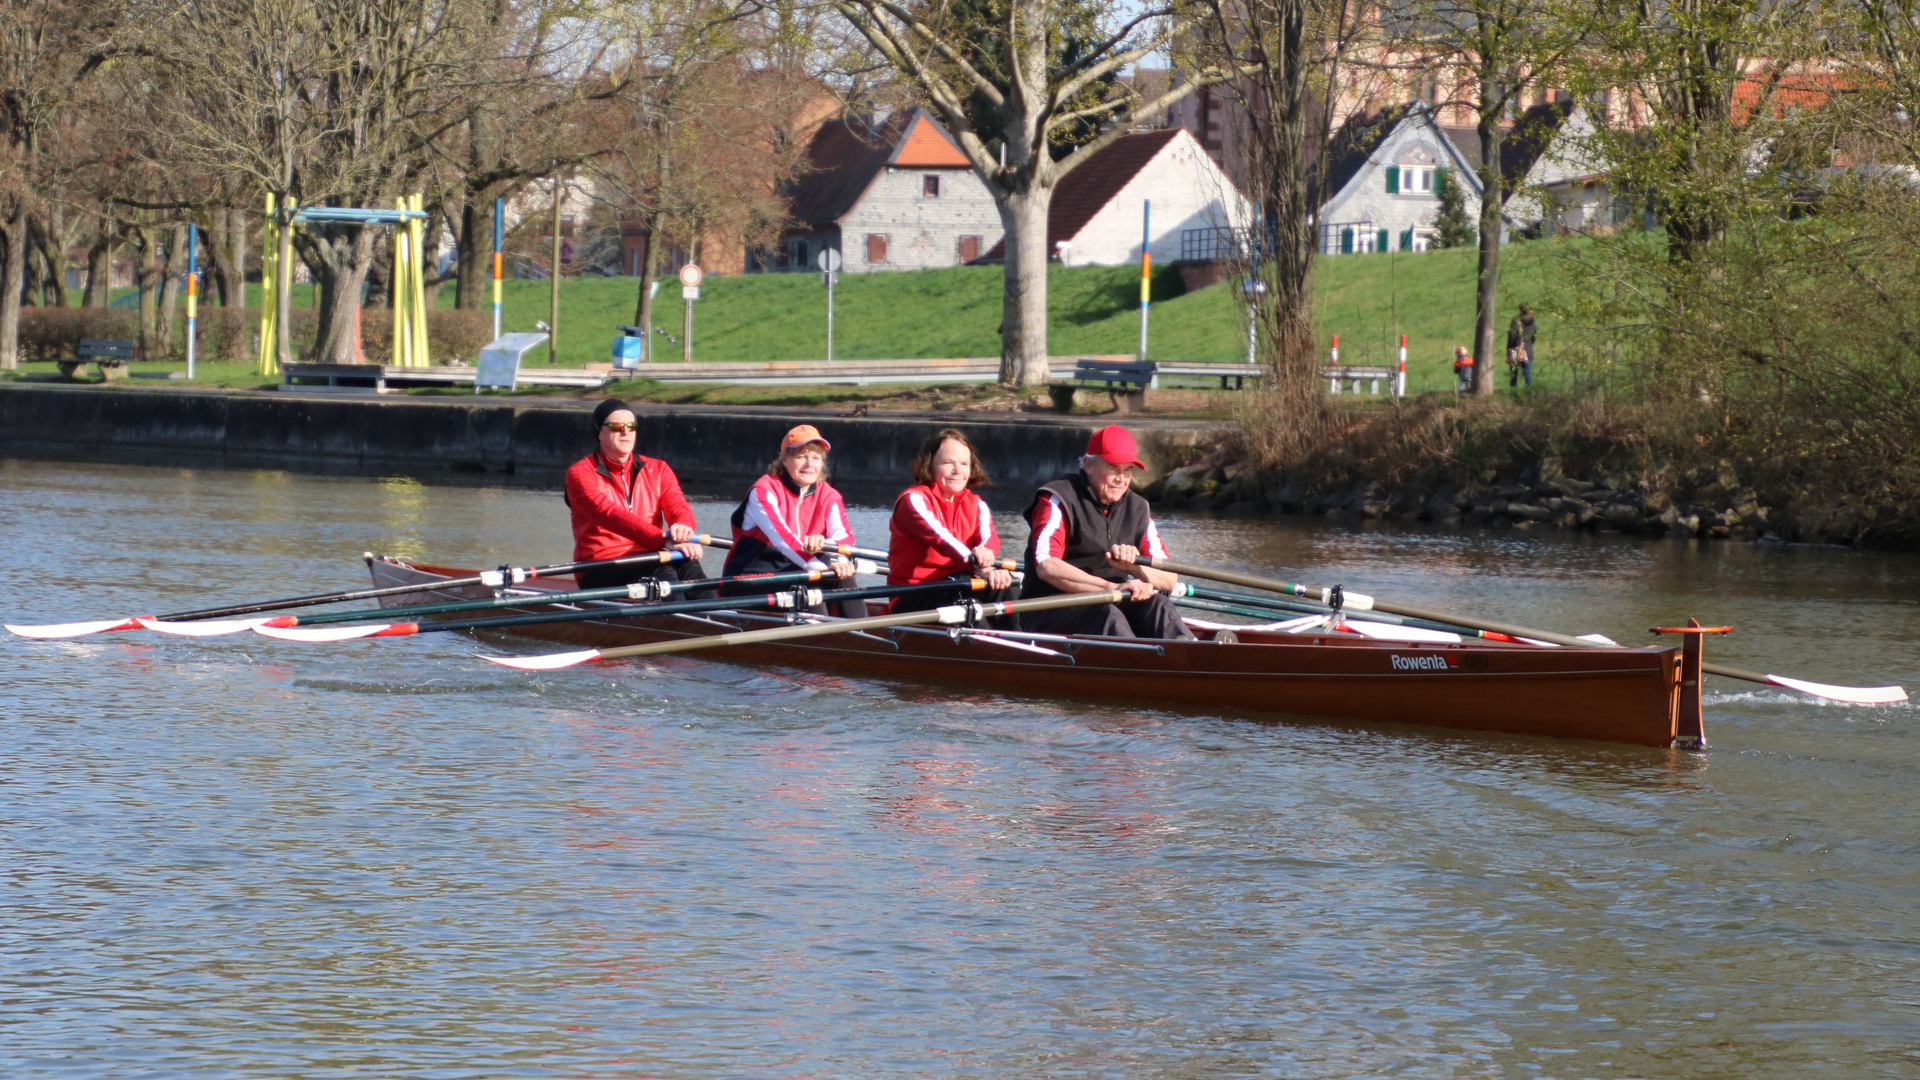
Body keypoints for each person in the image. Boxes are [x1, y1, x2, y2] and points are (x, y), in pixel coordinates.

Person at [1017, 424, 1194, 640]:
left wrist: (1134, 568)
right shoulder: (1057, 499)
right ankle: (1140, 656)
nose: (1121, 479)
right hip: (1048, 607)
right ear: (1088, 465)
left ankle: (1190, 651)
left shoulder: (1138, 509)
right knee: (1106, 612)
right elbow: (1047, 566)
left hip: (1110, 601)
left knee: (1158, 604)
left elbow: (1169, 579)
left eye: (1127, 470)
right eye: (1113, 468)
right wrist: (1112, 587)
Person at [722, 425, 865, 615]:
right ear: (785, 459)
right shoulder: (764, 490)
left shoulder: (829, 495)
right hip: (752, 579)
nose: (809, 464)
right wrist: (823, 566)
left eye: (816, 458)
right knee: (810, 586)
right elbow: (783, 540)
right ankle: (821, 632)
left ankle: (859, 631)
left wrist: (836, 557)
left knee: (844, 576)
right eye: (801, 457)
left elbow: (845, 538)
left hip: (801, 573)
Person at [564, 398, 705, 590]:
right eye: (616, 426)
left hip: (654, 554)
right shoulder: (580, 473)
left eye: (631, 426)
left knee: (692, 570)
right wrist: (663, 539)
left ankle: (715, 608)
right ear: (599, 432)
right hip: (601, 565)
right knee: (665, 574)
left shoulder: (659, 469)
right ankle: (675, 608)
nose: (626, 432)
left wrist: (683, 528)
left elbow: (678, 506)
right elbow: (608, 514)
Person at [887, 428, 1015, 614]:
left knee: (1008, 584)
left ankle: (1018, 631)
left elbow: (989, 539)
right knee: (967, 598)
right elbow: (942, 539)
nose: (957, 471)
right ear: (929, 465)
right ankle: (984, 631)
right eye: (948, 463)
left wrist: (988, 562)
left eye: (964, 464)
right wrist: (979, 566)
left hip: (963, 582)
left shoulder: (977, 504)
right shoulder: (913, 500)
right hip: (914, 593)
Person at [1506, 303, 1537, 388]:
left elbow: (1512, 336)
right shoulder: (1533, 322)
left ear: (1520, 310)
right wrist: (1528, 345)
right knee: (1528, 376)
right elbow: (1533, 337)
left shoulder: (1515, 320)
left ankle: (1513, 393)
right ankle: (1531, 393)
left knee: (1513, 376)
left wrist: (1509, 350)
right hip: (1528, 351)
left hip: (1515, 350)